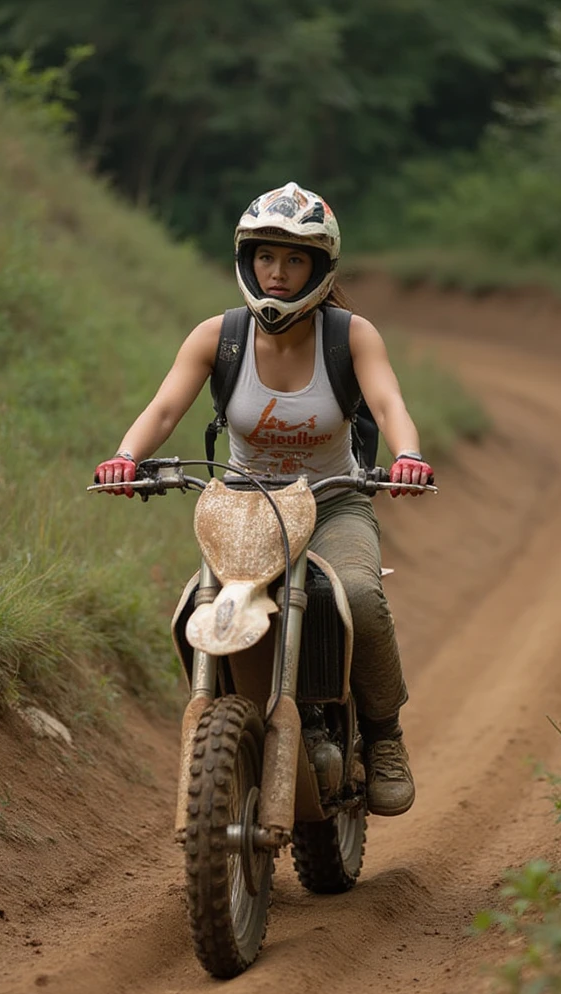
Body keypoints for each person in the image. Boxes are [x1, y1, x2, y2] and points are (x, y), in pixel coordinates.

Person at [94, 181, 434, 816]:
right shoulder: (217, 338)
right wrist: (125, 457)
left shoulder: (351, 336)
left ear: (320, 268)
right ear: (247, 261)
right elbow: (165, 407)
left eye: (295, 259)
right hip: (241, 507)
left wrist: (407, 455)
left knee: (357, 594)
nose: (277, 274)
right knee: (198, 610)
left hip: (333, 501)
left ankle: (384, 736)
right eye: (266, 258)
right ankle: (234, 722)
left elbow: (389, 405)